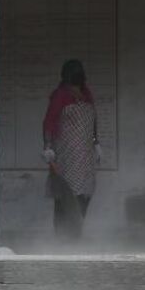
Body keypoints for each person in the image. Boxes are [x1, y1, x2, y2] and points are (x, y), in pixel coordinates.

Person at [41, 59, 101, 238]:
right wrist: (48, 146)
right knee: (65, 195)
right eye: (73, 73)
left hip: (85, 157)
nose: (77, 76)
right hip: (66, 156)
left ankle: (75, 234)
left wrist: (96, 143)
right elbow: (49, 122)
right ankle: (62, 236)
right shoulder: (60, 95)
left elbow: (93, 122)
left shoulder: (87, 94)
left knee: (84, 195)